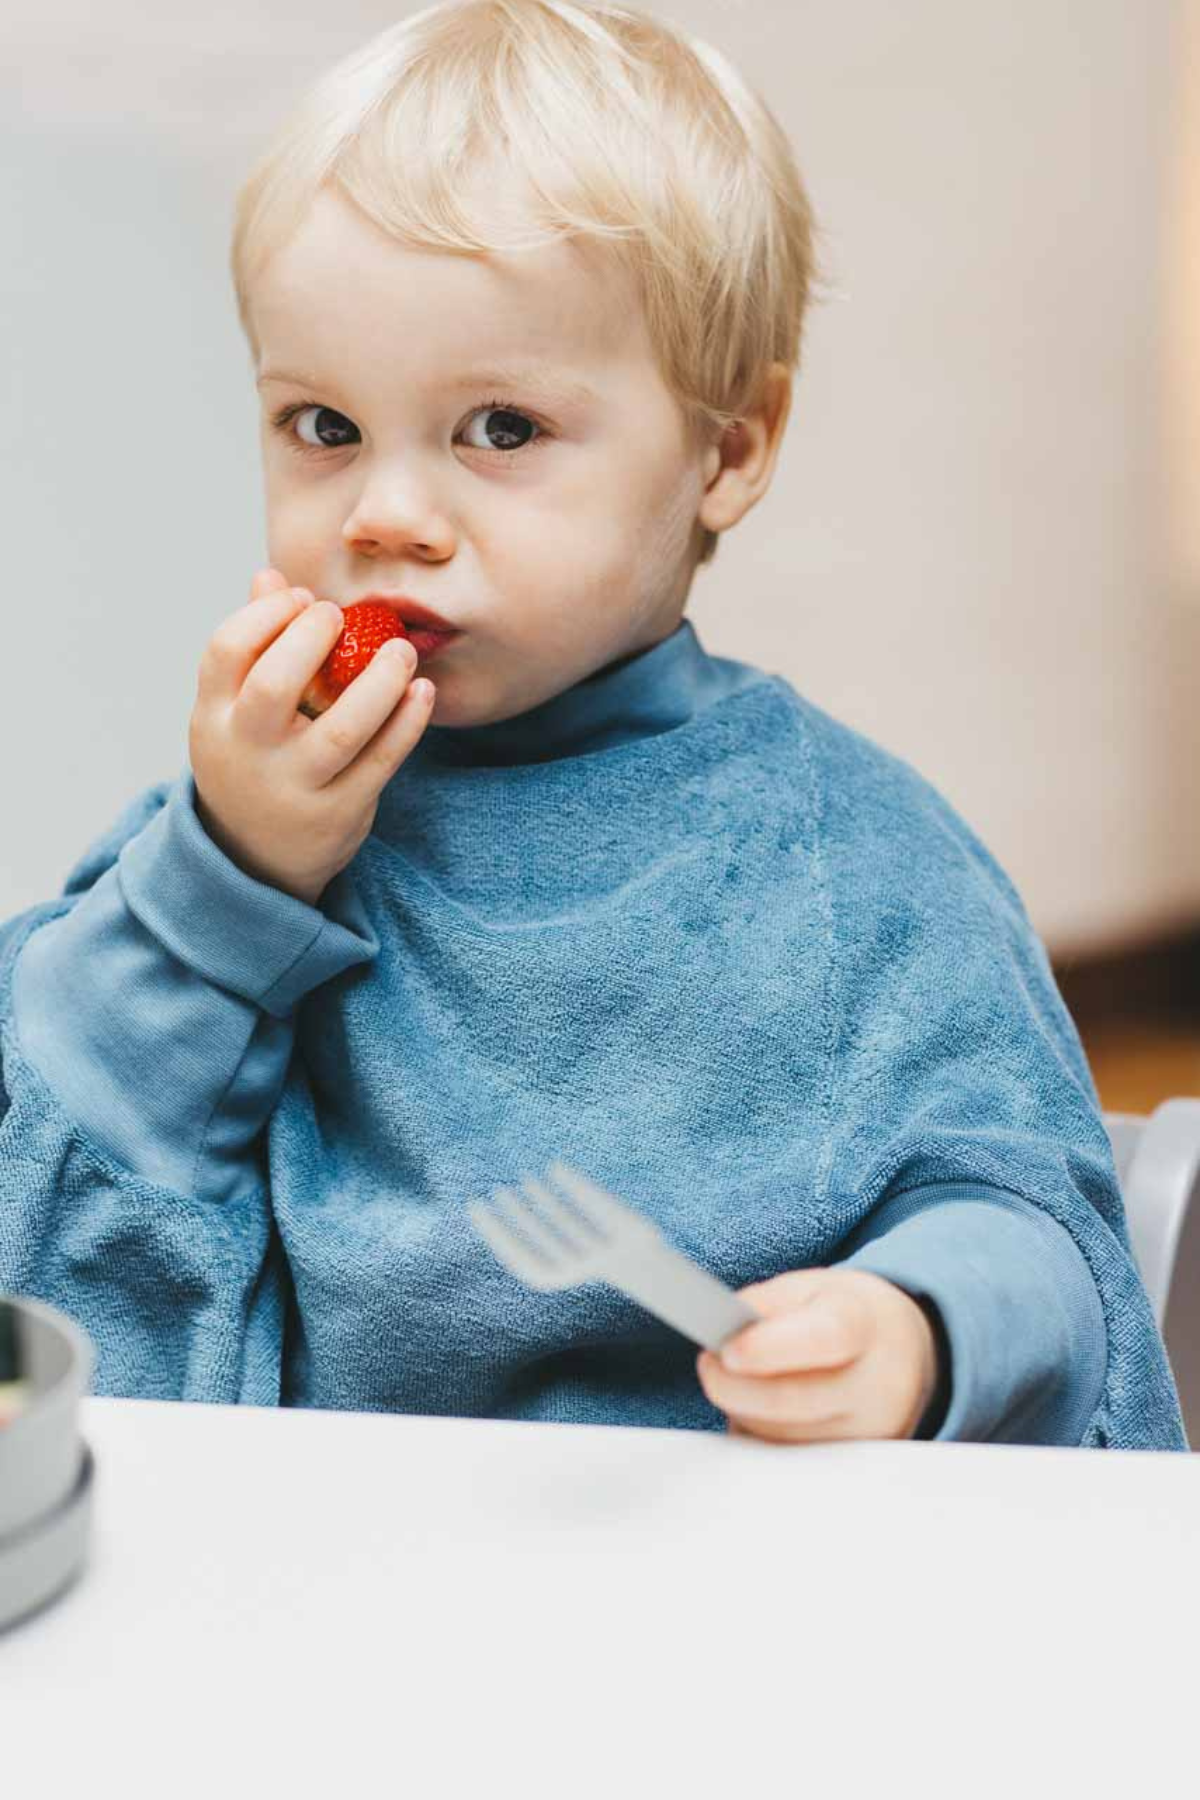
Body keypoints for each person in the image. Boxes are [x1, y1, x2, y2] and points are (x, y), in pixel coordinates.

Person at [0, 0, 1185, 1449]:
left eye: (500, 429)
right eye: (323, 427)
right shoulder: (254, 829)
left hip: (738, 1591)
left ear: (728, 449)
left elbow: (1032, 1214)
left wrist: (912, 1327)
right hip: (334, 1596)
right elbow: (64, 1188)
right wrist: (227, 883)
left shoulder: (848, 860)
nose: (383, 516)